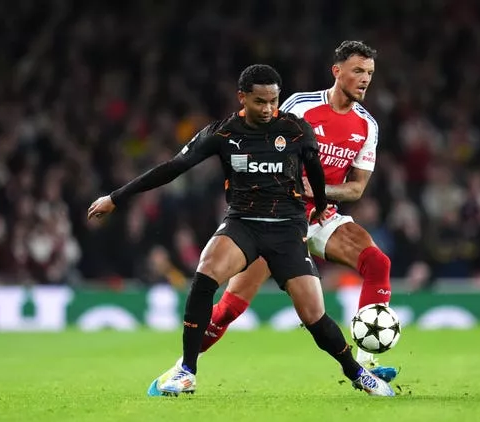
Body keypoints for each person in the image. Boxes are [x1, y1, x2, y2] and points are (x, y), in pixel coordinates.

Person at [87, 64, 395, 397]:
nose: (267, 109)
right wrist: (116, 197)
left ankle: (359, 372)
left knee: (314, 317)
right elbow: (173, 168)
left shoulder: (296, 129)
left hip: (287, 229)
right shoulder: (223, 133)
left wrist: (320, 203)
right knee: (205, 275)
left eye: (273, 102)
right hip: (243, 224)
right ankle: (186, 370)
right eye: (260, 102)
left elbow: (316, 175)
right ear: (242, 98)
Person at [190, 41, 395, 372]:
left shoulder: (367, 125)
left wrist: (320, 192)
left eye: (369, 73)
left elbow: (356, 187)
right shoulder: (302, 106)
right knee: (230, 307)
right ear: (337, 71)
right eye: (358, 71)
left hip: (322, 215)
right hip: (278, 216)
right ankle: (182, 367)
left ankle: (367, 361)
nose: (365, 79)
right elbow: (266, 145)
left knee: (377, 261)